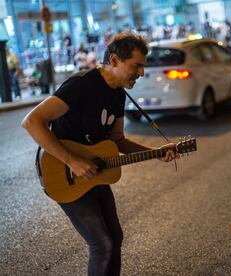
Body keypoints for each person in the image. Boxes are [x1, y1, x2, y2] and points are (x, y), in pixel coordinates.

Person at [21, 33, 179, 275]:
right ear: (114, 60)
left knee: (115, 236)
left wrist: (155, 153)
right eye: (136, 66)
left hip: (95, 170)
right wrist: (72, 160)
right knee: (102, 244)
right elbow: (32, 121)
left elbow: (116, 140)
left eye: (143, 67)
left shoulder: (117, 94)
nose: (141, 73)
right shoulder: (81, 86)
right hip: (64, 173)